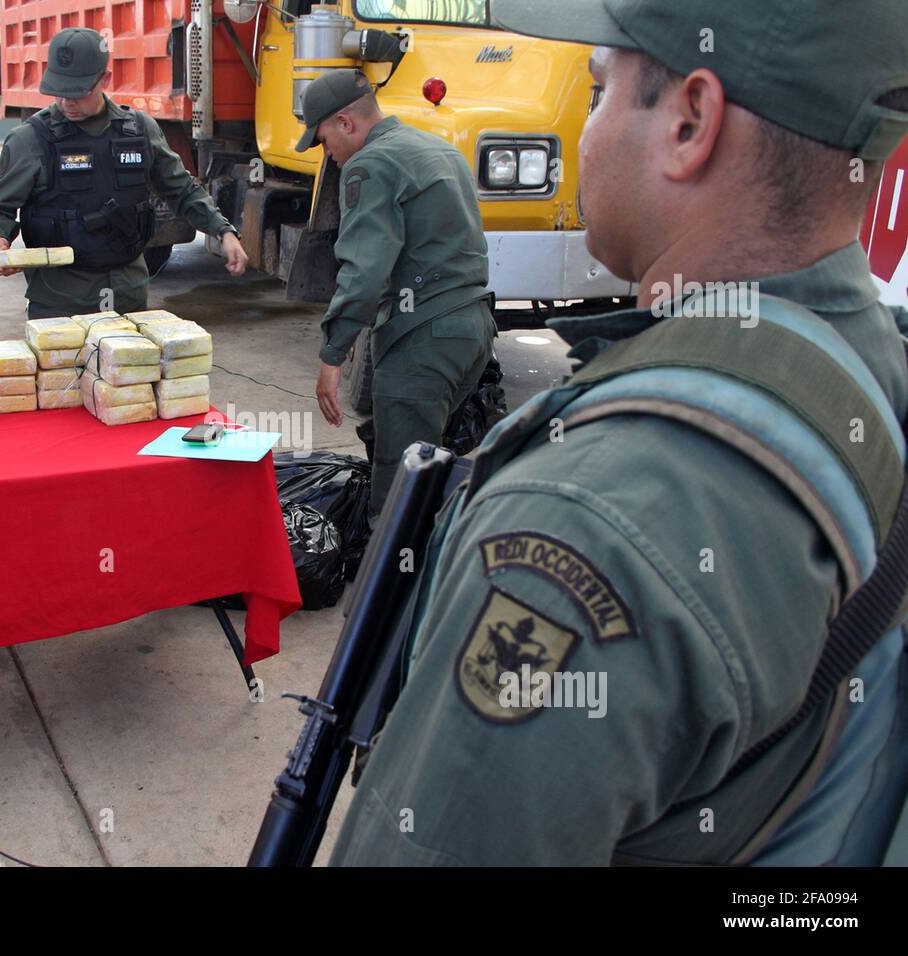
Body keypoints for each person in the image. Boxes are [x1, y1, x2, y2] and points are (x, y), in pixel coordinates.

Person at [330, 0, 908, 865]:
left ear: (690, 123)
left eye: (600, 91)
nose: (588, 132)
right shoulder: (871, 366)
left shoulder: (587, 517)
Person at [299, 69, 496, 519]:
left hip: (423, 340)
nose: (327, 153)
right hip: (472, 328)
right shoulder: (439, 150)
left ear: (346, 123)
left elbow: (364, 269)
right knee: (434, 468)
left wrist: (332, 354)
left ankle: (399, 584)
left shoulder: (372, 164)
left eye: (324, 139)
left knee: (398, 493)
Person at [0, 27, 248, 319]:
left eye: (78, 92)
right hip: (59, 303)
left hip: (128, 296)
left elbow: (182, 190)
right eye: (59, 92)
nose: (67, 102)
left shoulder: (140, 131)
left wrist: (223, 231)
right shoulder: (29, 141)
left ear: (105, 79)